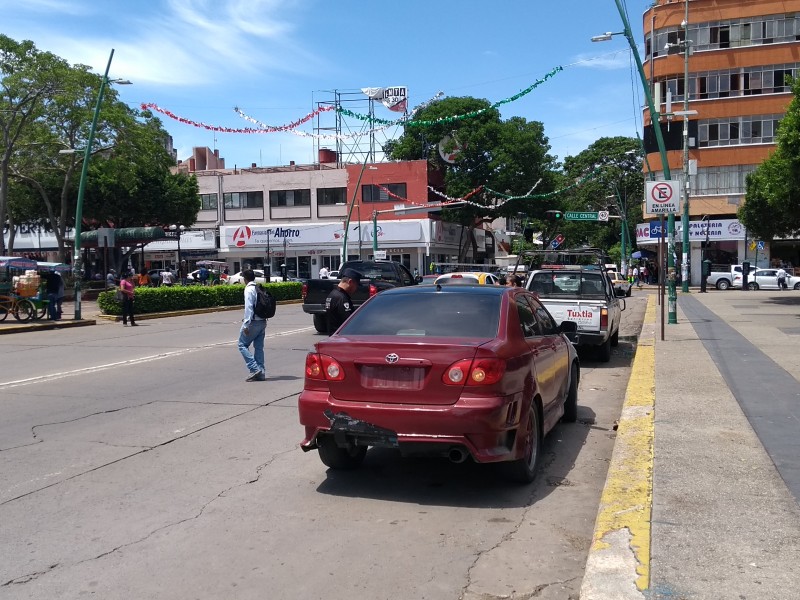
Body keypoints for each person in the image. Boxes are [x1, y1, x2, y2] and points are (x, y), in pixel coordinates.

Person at [239, 269, 266, 381]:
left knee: (242, 345)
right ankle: (261, 373)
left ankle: (254, 369)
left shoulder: (249, 289)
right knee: (259, 347)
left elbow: (249, 307)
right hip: (262, 321)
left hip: (253, 323)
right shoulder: (258, 287)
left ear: (245, 279)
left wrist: (246, 324)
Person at [325, 268, 362, 335]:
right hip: (341, 338)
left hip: (333, 337)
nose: (356, 288)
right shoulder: (341, 298)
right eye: (356, 285)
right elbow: (349, 322)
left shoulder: (332, 294)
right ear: (350, 282)